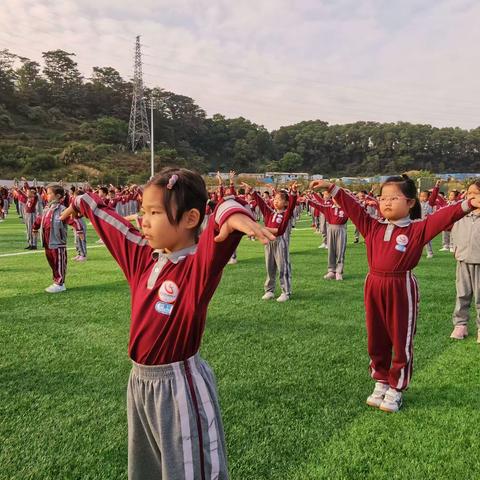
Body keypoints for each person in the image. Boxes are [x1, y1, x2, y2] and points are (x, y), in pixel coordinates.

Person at [61, 167, 274, 479]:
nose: (143, 220)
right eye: (142, 211)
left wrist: (233, 215)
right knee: (146, 470)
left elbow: (222, 220)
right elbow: (108, 220)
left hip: (179, 387)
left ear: (189, 219)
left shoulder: (195, 269)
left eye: (155, 212)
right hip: (140, 383)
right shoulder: (141, 257)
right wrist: (79, 201)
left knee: (190, 473)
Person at [310, 174, 479, 412]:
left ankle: (397, 388)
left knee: (401, 338)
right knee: (376, 336)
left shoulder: (418, 229)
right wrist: (332, 188)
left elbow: (444, 216)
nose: (386, 202)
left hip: (401, 286)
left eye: (394, 198)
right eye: (383, 198)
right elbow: (353, 207)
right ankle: (381, 381)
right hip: (373, 285)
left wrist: (470, 203)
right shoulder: (372, 226)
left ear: (410, 202)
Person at [243, 181, 298, 302]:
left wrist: (293, 192)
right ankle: (269, 290)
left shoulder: (286, 214)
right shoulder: (270, 213)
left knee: (283, 267)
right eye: (275, 199)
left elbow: (278, 230)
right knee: (270, 267)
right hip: (269, 242)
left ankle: (286, 291)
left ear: (286, 203)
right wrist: (252, 191)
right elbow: (261, 203)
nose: (276, 201)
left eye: (279, 199)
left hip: (280, 242)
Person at [32, 184, 83, 293]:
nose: (47, 195)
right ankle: (56, 281)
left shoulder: (62, 209)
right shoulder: (47, 208)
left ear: (58, 196)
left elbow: (72, 219)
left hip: (57, 242)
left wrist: (79, 230)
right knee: (52, 262)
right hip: (47, 242)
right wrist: (35, 228)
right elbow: (40, 219)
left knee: (58, 262)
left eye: (49, 193)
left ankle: (60, 283)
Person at [449, 179, 480, 342]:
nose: (472, 197)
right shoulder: (462, 214)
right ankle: (460, 325)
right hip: (463, 260)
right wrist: (455, 248)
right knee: (462, 294)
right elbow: (454, 232)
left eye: (476, 193)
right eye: (469, 193)